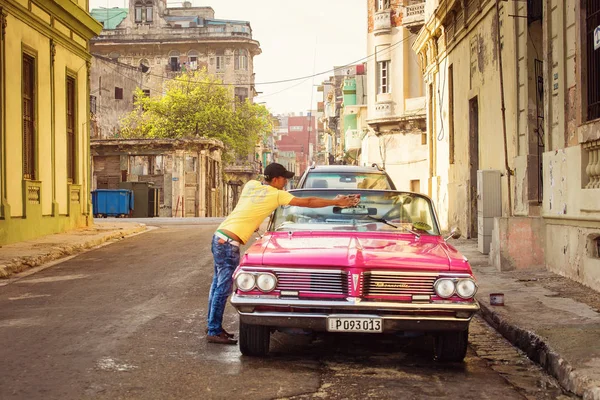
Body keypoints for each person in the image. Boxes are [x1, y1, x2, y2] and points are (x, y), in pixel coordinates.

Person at [206, 162, 360, 344]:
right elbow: (308, 202)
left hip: (219, 237)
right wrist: (336, 201)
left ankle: (212, 325)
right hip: (228, 243)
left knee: (217, 285)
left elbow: (253, 200)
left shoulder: (251, 185)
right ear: (276, 179)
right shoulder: (276, 195)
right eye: (284, 178)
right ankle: (214, 330)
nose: (286, 182)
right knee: (223, 288)